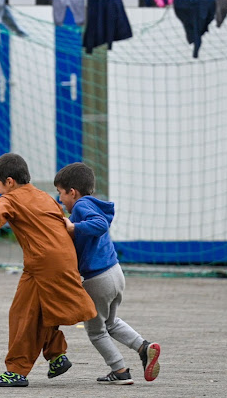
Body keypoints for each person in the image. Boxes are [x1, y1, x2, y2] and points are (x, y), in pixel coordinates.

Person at [0, 153, 97, 387]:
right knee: (44, 309)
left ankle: (16, 371)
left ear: (9, 181)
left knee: (22, 315)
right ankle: (56, 356)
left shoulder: (11, 199)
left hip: (42, 262)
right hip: (64, 257)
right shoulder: (44, 197)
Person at [54, 162, 161, 385]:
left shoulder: (82, 206)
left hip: (98, 280)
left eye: (60, 194)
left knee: (96, 331)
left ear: (72, 192)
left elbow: (100, 224)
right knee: (111, 323)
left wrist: (73, 228)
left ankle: (120, 370)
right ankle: (144, 347)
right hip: (115, 274)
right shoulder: (89, 204)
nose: (60, 200)